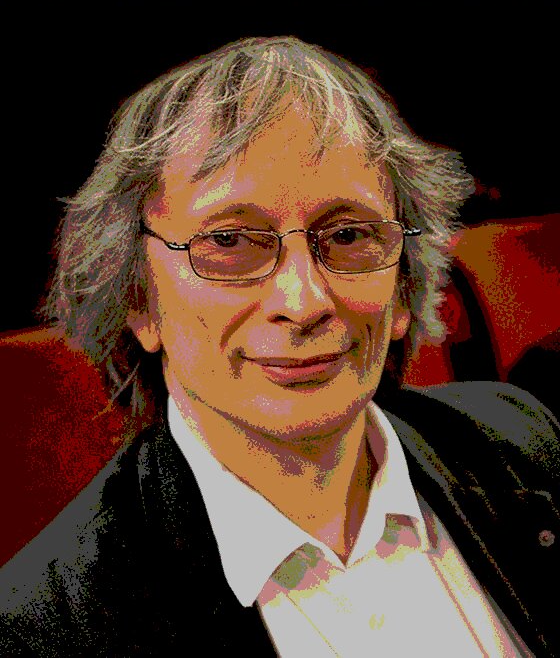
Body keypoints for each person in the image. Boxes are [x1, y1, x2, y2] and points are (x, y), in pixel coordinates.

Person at [1, 36, 558, 656]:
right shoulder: (43, 630)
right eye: (230, 242)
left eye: (348, 234)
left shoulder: (525, 438)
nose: (304, 301)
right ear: (139, 300)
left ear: (403, 287)